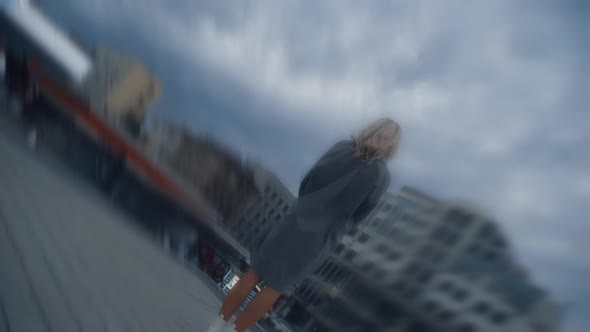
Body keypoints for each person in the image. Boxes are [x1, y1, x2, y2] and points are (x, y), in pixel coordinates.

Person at [205, 118, 401, 332]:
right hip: (321, 238)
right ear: (392, 145)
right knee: (276, 286)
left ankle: (217, 325)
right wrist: (339, 226)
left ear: (371, 129)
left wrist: (307, 204)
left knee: (255, 272)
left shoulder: (343, 148)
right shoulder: (382, 176)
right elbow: (362, 214)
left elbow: (309, 178)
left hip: (297, 219)